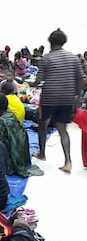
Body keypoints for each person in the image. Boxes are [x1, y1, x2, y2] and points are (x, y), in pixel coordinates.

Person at [33, 29, 86, 173]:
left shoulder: (46, 59)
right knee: (63, 129)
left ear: (50, 42)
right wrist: (77, 96)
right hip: (67, 98)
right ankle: (68, 162)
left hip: (49, 97)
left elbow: (38, 80)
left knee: (42, 124)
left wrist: (32, 83)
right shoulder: (74, 58)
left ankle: (42, 153)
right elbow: (81, 80)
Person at [0, 93, 30, 177]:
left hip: (9, 161)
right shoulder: (7, 115)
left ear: (2, 110)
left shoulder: (0, 123)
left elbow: (2, 146)